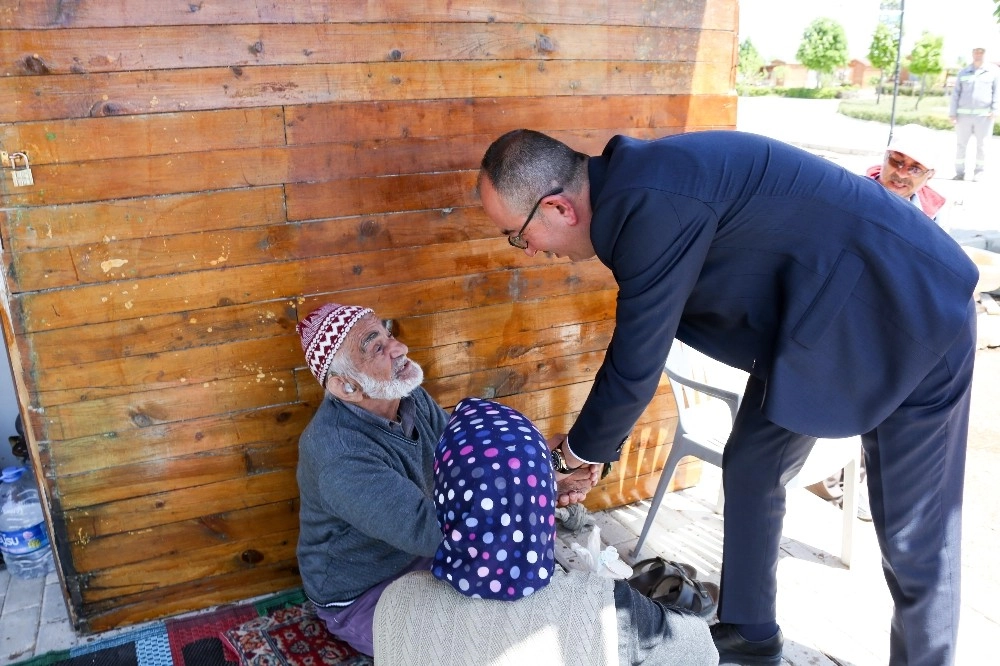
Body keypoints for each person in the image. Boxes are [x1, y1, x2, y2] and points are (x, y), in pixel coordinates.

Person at [477, 129, 978, 666]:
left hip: (913, 312)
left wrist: (572, 457)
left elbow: (637, 359)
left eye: (517, 234)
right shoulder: (636, 190)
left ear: (557, 206)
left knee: (913, 537)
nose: (527, 250)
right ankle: (751, 631)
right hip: (815, 325)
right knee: (753, 465)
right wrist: (590, 452)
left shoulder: (648, 202)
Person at [373, 396, 718, 665]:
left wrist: (524, 487)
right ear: (542, 500)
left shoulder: (396, 601)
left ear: (443, 498)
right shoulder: (605, 607)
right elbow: (703, 651)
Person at [294, 302, 449, 656]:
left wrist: (545, 465)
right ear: (345, 387)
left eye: (388, 334)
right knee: (451, 648)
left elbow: (462, 454)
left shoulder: (405, 394)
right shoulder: (338, 453)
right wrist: (527, 497)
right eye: (377, 347)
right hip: (363, 591)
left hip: (422, 554)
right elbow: (430, 531)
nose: (399, 348)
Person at [866, 123, 947, 224]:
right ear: (885, 157)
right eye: (896, 161)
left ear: (930, 175)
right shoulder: (853, 194)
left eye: (915, 169)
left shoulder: (933, 215)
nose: (901, 174)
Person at [949, 46, 1000, 181]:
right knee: (961, 145)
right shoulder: (964, 72)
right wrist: (952, 113)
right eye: (976, 52)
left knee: (982, 146)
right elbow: (956, 94)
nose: (978, 54)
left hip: (984, 117)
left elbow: (997, 92)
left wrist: (995, 110)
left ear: (985, 54)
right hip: (963, 117)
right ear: (972, 54)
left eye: (981, 52)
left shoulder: (993, 72)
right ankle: (960, 173)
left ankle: (979, 172)